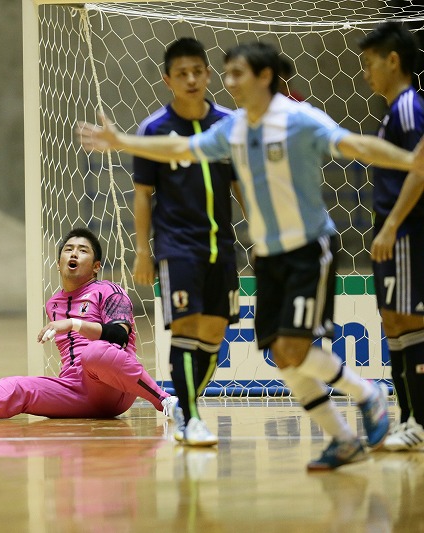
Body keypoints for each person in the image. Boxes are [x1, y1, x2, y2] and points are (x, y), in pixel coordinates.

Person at [75, 41, 424, 470]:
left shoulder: (300, 120)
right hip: (269, 258)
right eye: (226, 74)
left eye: (236, 73)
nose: (228, 83)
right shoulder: (233, 128)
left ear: (264, 77)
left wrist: (411, 160)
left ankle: (366, 395)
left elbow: (358, 146)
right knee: (281, 356)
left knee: (294, 347)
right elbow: (179, 150)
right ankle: (343, 440)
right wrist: (120, 140)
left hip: (308, 250)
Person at [0, 227, 179, 423]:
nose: (73, 253)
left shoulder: (110, 291)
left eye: (82, 250)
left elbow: (118, 338)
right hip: (75, 390)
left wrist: (73, 324)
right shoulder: (53, 303)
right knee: (17, 386)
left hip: (114, 389)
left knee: (92, 353)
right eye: (68, 249)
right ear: (58, 264)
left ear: (96, 266)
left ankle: (166, 402)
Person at [132, 38, 242, 446]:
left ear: (209, 74)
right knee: (185, 326)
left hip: (222, 245)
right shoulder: (154, 130)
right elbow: (143, 194)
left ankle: (183, 405)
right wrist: (144, 252)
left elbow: (241, 183)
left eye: (198, 71)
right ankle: (193, 418)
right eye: (182, 74)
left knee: (214, 332)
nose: (192, 79)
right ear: (168, 80)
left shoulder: (229, 124)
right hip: (176, 247)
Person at [361, 22, 424, 451]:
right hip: (392, 234)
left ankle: (419, 421)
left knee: (411, 321)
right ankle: (407, 420)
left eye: (370, 64)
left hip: (406, 233)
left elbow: (421, 169)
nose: (366, 73)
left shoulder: (407, 107)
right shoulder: (392, 111)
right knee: (394, 322)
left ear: (393, 60)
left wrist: (391, 225)